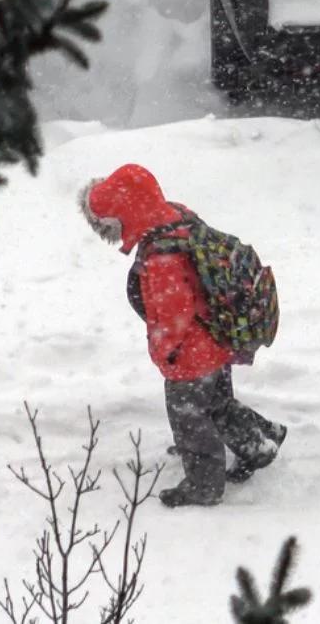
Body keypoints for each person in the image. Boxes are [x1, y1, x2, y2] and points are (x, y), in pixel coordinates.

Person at [80, 164, 286, 507]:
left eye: (113, 221)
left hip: (191, 351)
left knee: (189, 415)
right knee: (216, 404)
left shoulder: (161, 255)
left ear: (126, 214)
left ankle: (204, 485)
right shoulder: (177, 217)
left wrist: (164, 352)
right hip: (217, 335)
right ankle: (259, 443)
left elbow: (172, 314)